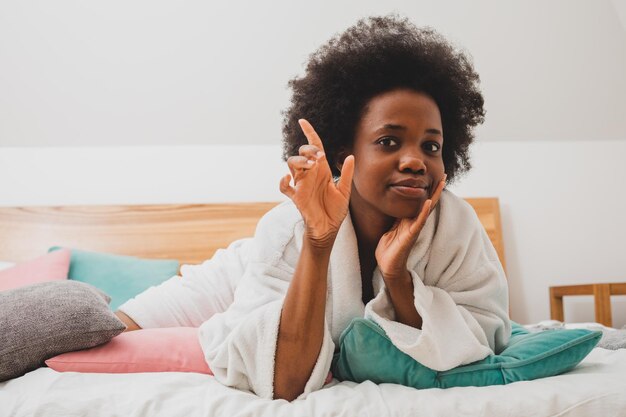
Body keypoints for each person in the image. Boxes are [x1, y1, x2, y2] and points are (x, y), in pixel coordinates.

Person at [115, 15, 511, 401]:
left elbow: (482, 335)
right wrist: (318, 242)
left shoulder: (455, 225)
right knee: (111, 329)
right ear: (343, 154)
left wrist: (397, 280)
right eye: (389, 141)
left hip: (269, 267)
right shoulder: (287, 228)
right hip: (247, 272)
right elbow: (283, 381)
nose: (416, 161)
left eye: (432, 146)